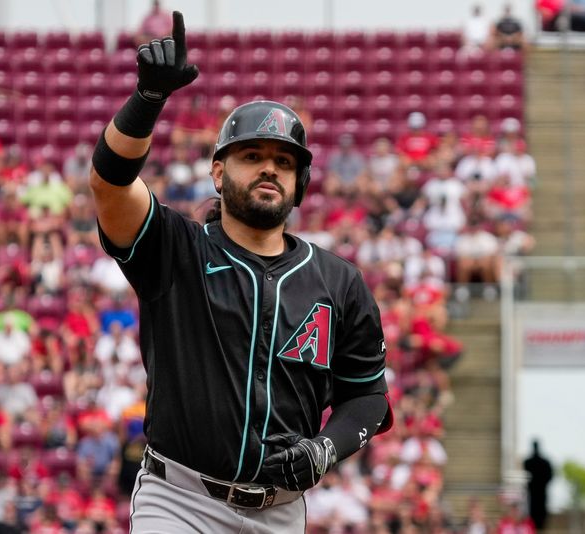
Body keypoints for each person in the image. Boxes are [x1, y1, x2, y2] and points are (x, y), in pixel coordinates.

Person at [87, 12, 391, 533]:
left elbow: (367, 398)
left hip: (279, 512)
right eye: (252, 155)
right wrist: (147, 99)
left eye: (285, 161)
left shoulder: (340, 282)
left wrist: (325, 449)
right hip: (180, 499)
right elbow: (110, 185)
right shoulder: (175, 248)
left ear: (300, 184)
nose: (270, 168)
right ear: (219, 171)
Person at [523, 439, 553, 531]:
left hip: (538, 494)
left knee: (540, 515)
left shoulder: (528, 462)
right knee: (535, 514)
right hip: (535, 494)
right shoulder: (542, 462)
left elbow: (550, 476)